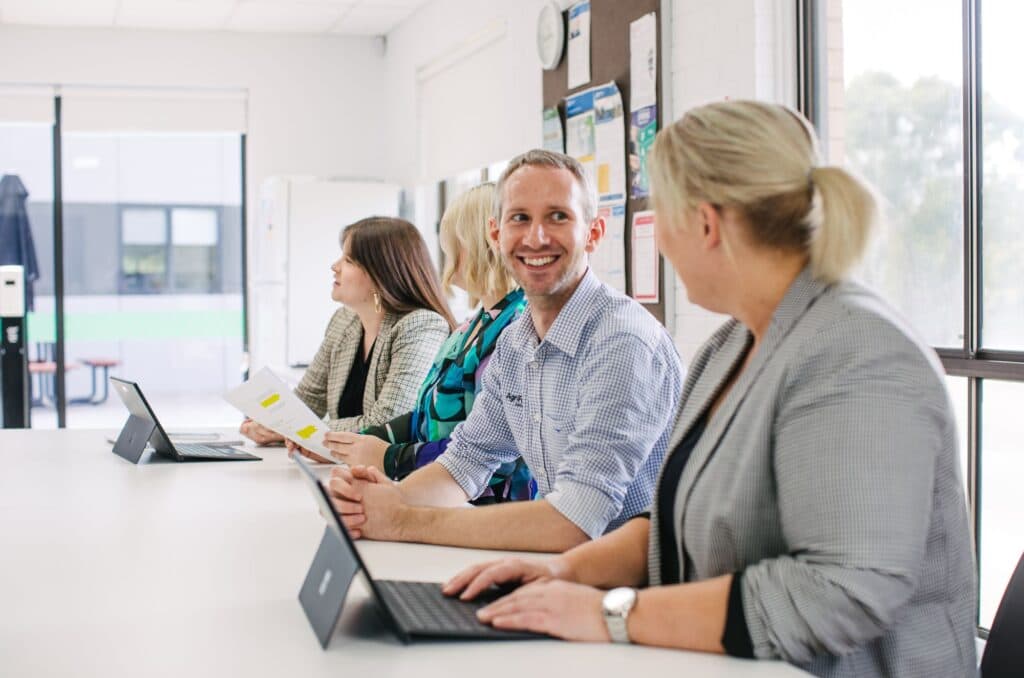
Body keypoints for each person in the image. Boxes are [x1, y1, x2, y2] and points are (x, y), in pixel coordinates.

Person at [442, 101, 977, 678]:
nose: (660, 243)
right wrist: (563, 574)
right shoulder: (731, 345)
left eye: (660, 215)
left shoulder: (857, 353)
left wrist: (611, 614)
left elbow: (839, 594)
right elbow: (671, 526)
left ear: (704, 223)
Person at [327, 149, 684, 552]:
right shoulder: (516, 340)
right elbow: (466, 461)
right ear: (496, 235)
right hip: (560, 571)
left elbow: (576, 521)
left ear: (594, 233)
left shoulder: (622, 342)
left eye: (558, 216)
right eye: (520, 218)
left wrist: (403, 519)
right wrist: (382, 502)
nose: (536, 237)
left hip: (629, 590)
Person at [324, 184, 535, 503]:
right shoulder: (474, 324)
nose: (446, 259)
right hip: (442, 496)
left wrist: (391, 456)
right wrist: (358, 442)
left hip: (487, 507)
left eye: (452, 248)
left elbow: (485, 449)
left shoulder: (514, 328)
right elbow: (421, 416)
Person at [241, 217, 454, 459]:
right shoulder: (345, 321)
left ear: (381, 274)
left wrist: (291, 430)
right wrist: (270, 421)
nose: (335, 266)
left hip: (394, 477)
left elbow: (387, 421)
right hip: (340, 468)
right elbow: (308, 398)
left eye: (349, 260)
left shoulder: (421, 326)